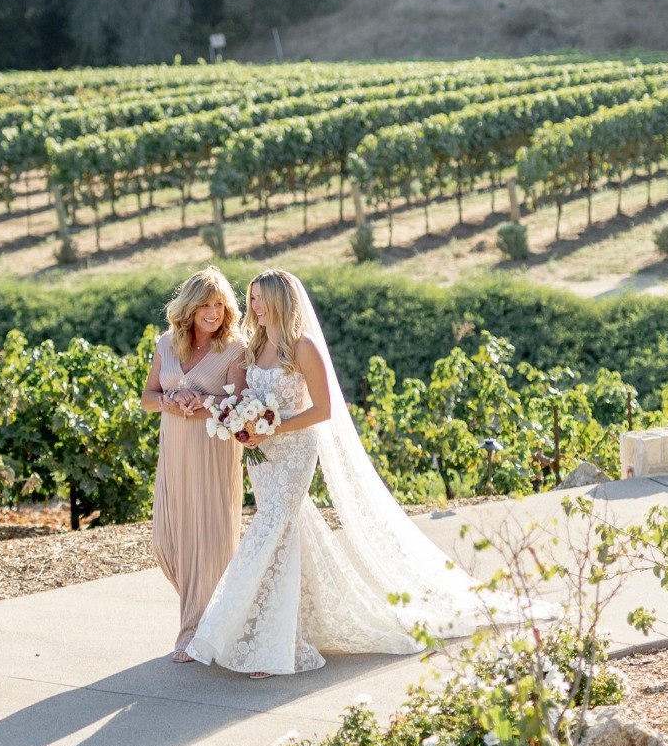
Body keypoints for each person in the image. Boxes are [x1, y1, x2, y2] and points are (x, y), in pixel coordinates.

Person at [187, 269, 524, 678]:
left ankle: (270, 645)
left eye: (260, 299)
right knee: (286, 530)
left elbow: (322, 411)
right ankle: (288, 628)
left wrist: (272, 425)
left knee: (271, 529)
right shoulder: (254, 348)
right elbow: (243, 398)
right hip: (265, 454)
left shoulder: (303, 348)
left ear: (280, 301)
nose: (253, 306)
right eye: (252, 298)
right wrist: (239, 421)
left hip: (295, 450)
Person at [142, 267, 245, 661]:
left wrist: (205, 404)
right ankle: (209, 618)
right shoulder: (167, 344)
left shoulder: (234, 349)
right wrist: (168, 402)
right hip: (175, 451)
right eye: (206, 302)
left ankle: (193, 630)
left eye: (220, 304)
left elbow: (237, 403)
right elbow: (148, 396)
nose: (213, 311)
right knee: (167, 541)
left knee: (212, 541)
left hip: (213, 450)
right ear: (189, 305)